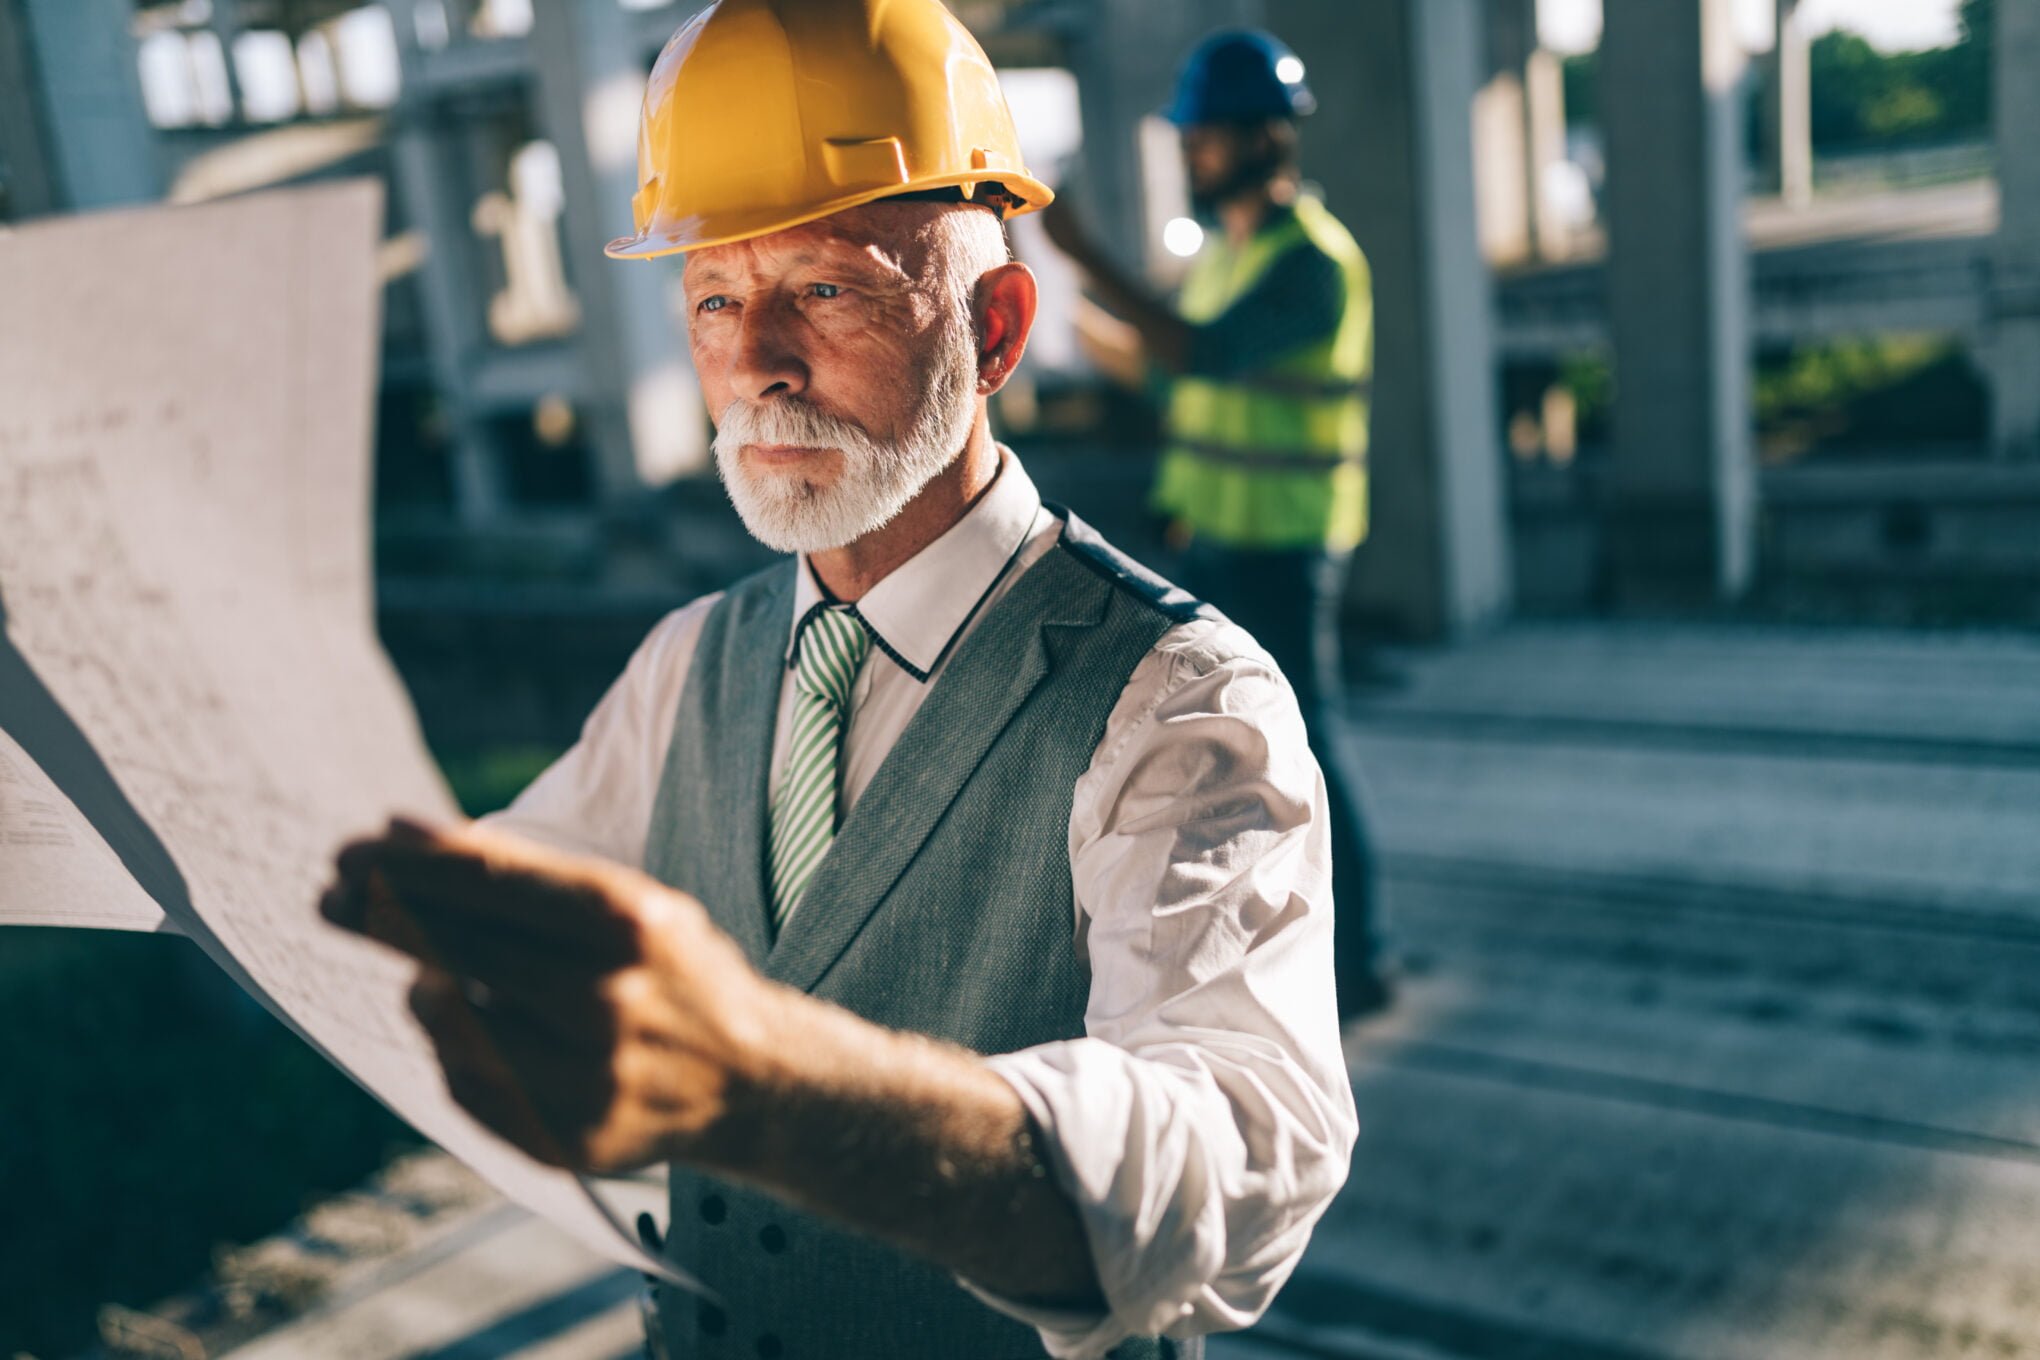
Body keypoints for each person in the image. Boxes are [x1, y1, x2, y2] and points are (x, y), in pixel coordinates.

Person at [322, 3, 1355, 1358]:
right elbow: (486, 907)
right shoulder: (689, 665)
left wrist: (762, 1087)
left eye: (822, 286)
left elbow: (1225, 1169)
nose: (754, 362)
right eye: (711, 297)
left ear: (993, 330)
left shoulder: (1181, 704)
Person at [1042, 29, 1390, 1019]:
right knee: (1233, 758)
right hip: (1222, 536)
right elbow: (1168, 373)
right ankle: (1275, 947)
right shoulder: (1232, 255)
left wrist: (1086, 254)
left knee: (1303, 747)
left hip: (1287, 540)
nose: (1192, 153)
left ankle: (1357, 959)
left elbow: (1200, 353)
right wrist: (1053, 314)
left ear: (1264, 136)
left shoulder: (1312, 265)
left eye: (1204, 137)